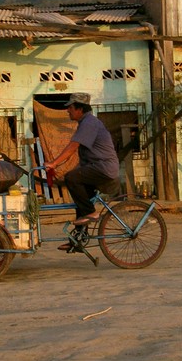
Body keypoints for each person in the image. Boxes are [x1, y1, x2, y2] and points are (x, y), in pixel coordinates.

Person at [44, 93, 119, 247]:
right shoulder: (86, 123)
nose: (67, 111)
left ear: (79, 109)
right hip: (96, 167)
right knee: (81, 199)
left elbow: (73, 145)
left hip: (103, 168)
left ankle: (92, 212)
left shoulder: (90, 123)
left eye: (70, 108)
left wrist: (54, 163)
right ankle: (77, 240)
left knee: (72, 178)